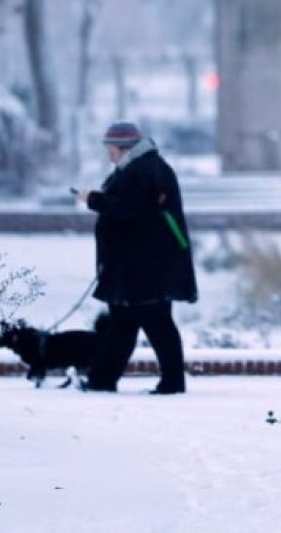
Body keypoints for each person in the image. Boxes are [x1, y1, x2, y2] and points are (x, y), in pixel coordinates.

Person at [78, 121, 198, 394]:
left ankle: (171, 382)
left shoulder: (142, 171)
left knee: (156, 325)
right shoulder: (143, 168)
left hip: (145, 268)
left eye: (111, 150)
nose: (109, 155)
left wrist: (92, 199)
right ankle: (102, 380)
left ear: (124, 148)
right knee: (124, 325)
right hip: (137, 267)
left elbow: (127, 208)